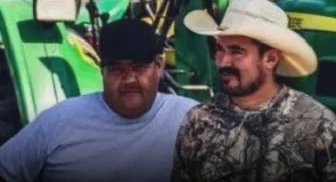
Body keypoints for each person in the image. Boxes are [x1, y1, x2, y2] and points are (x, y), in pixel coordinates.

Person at [171, 0, 336, 182]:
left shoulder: (316, 124)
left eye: (237, 52)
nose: (223, 62)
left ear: (271, 59)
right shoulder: (198, 121)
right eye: (220, 50)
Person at [0, 18, 197, 182]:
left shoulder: (193, 122)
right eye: (117, 69)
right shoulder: (59, 122)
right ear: (102, 71)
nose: (129, 79)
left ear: (159, 66)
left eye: (139, 67)